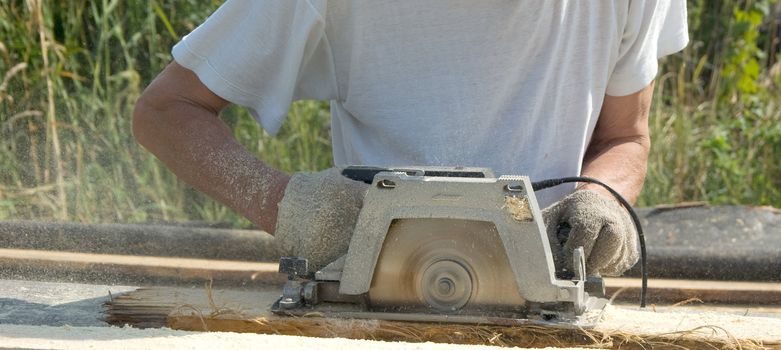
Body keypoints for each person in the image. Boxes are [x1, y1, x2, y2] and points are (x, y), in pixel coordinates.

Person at [133, 1, 688, 276]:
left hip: (551, 305)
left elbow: (624, 135)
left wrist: (603, 201)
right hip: (374, 297)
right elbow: (165, 111)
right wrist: (293, 207)